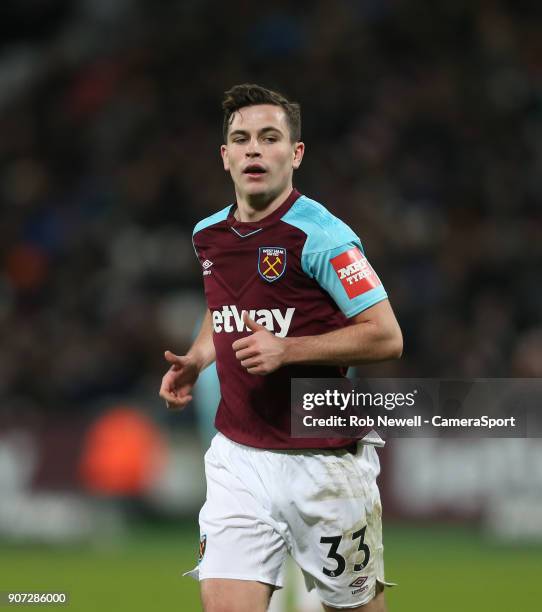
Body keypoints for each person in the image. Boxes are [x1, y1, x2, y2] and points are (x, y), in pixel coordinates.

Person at [159, 84, 403, 612]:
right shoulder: (209, 236)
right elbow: (224, 303)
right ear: (224, 157)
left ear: (295, 153)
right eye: (241, 139)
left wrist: (287, 351)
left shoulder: (324, 237)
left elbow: (387, 335)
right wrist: (200, 357)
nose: (253, 149)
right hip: (237, 459)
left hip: (323, 465)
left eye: (269, 138)